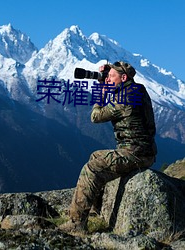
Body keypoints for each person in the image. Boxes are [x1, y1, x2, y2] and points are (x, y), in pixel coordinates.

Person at [59, 61, 157, 233]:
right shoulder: (137, 89)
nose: (108, 79)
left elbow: (96, 117)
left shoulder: (125, 99)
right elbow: (118, 81)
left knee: (92, 168)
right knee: (95, 155)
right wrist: (108, 75)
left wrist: (100, 95)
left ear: (124, 77)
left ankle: (76, 224)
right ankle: (96, 209)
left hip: (135, 153)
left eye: (112, 76)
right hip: (143, 150)